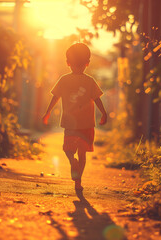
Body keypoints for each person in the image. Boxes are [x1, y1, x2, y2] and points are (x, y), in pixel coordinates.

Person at [42, 42, 107, 191]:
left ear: (68, 63)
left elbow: (55, 97)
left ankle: (72, 162)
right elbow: (97, 99)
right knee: (83, 155)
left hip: (70, 124)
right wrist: (103, 113)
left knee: (68, 150)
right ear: (87, 63)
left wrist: (48, 112)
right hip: (87, 125)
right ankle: (78, 182)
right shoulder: (90, 81)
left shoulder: (64, 79)